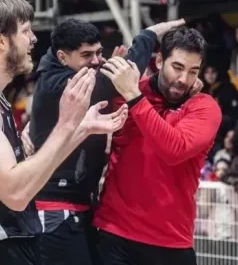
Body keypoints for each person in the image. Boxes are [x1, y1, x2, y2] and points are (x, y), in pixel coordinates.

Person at [0, 0, 127, 265]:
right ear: (2, 41)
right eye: (25, 31)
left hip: (9, 246)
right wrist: (66, 125)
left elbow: (20, 175)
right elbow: (15, 193)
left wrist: (80, 129)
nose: (34, 39)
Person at [24, 18, 187, 265]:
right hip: (55, 212)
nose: (97, 60)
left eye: (99, 52)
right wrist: (147, 35)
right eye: (87, 55)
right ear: (62, 57)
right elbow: (116, 81)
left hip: (77, 207)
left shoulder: (62, 73)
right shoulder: (58, 84)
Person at [95, 27, 222, 265]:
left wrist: (134, 96)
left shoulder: (204, 107)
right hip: (115, 233)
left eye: (193, 71)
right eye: (178, 67)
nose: (184, 79)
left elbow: (174, 150)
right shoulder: (127, 91)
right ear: (160, 60)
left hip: (171, 242)